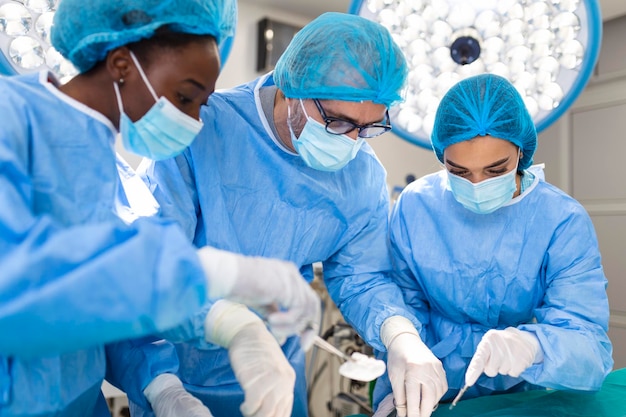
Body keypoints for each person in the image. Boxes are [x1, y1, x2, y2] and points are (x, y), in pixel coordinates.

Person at [0, 0, 321, 416]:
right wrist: (217, 272)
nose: (192, 122)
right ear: (120, 64)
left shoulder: (109, 171)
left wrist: (225, 334)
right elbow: (20, 285)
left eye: (200, 105)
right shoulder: (10, 121)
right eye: (184, 97)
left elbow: (108, 297)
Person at [116, 11, 439, 417]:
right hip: (179, 376)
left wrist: (400, 335)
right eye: (338, 122)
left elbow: (362, 275)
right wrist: (164, 388)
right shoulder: (202, 129)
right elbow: (153, 269)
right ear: (292, 89)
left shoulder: (361, 174)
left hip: (277, 380)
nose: (353, 141)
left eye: (369, 127)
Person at [373, 73, 613, 417]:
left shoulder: (560, 220)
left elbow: (590, 346)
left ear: (521, 151)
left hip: (518, 392)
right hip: (428, 386)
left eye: (495, 170)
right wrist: (405, 364)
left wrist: (534, 347)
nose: (476, 184)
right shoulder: (416, 205)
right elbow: (403, 305)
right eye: (458, 171)